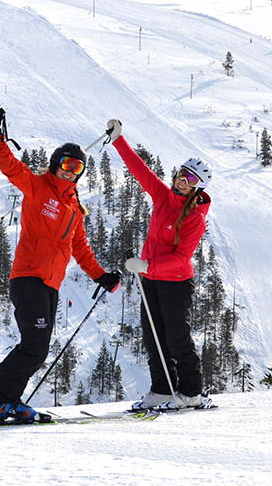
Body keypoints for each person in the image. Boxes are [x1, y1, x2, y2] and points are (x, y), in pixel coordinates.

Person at [0, 108, 121, 422]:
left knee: (38, 348)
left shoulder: (74, 208)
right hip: (28, 277)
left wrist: (101, 276)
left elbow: (80, 248)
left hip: (49, 284)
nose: (72, 171)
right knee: (33, 345)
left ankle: (8, 400)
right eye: (68, 165)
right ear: (57, 164)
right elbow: (10, 167)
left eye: (78, 167)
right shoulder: (37, 187)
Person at [104, 119, 213, 410]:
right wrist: (119, 140)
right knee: (153, 337)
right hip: (150, 279)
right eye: (181, 175)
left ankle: (191, 392)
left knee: (176, 337)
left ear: (197, 188)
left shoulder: (195, 219)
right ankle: (163, 389)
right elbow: (141, 171)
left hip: (175, 283)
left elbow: (181, 258)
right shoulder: (164, 197)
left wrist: (146, 266)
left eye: (190, 180)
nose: (181, 181)